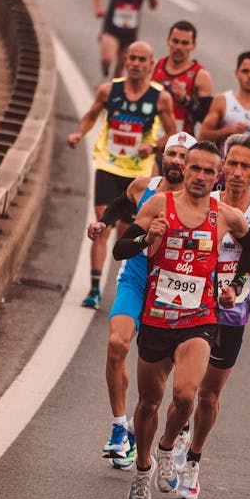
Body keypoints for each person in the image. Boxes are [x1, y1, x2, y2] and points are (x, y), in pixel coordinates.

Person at [112, 141, 250, 499]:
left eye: (209, 172)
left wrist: (235, 285)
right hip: (159, 317)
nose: (200, 177)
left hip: (199, 319)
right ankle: (142, 468)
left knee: (185, 395)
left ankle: (166, 448)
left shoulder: (225, 215)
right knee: (148, 403)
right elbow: (121, 248)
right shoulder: (159, 205)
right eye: (195, 168)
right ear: (186, 169)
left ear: (218, 176)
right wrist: (147, 238)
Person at [175, 133, 250, 499]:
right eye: (231, 164)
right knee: (184, 390)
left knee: (208, 395)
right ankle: (176, 434)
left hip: (233, 314)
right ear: (222, 167)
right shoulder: (206, 201)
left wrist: (244, 244)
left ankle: (193, 460)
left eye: (244, 166)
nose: (236, 172)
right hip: (194, 306)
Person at [86, 132, 194, 469]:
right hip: (135, 279)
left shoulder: (201, 203)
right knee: (117, 345)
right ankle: (119, 428)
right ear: (163, 156)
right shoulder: (143, 186)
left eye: (183, 156)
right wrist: (102, 224)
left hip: (171, 288)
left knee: (158, 382)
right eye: (171, 153)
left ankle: (138, 428)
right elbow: (121, 204)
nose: (175, 160)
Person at [68, 41, 176, 310]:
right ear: (126, 61)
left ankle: (124, 283)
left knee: (126, 234)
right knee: (102, 226)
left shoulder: (160, 98)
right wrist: (79, 134)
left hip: (138, 175)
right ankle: (93, 289)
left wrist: (152, 147)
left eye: (143, 60)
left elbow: (173, 134)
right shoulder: (108, 90)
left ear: (152, 65)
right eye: (133, 58)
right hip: (108, 166)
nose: (137, 64)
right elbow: (91, 116)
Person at [199, 51, 250, 194]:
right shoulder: (223, 101)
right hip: (224, 175)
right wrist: (227, 131)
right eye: (245, 71)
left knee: (245, 215)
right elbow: (203, 136)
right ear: (236, 73)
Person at [151, 20, 213, 137]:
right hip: (152, 138)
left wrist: (186, 100)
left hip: (181, 144)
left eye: (185, 43)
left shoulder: (200, 76)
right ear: (168, 40)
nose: (179, 47)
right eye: (175, 41)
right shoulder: (154, 67)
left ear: (193, 45)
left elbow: (208, 120)